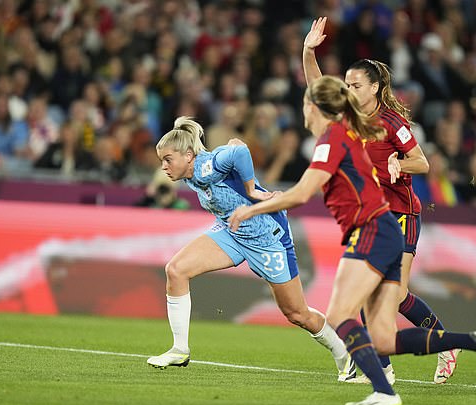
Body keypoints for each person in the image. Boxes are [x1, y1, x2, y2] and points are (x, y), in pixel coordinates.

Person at [228, 75, 476, 405]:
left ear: (312, 107)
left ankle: (384, 392)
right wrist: (308, 53)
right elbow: (320, 86)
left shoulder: (332, 138)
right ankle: (469, 341)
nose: (302, 108)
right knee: (383, 339)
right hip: (385, 230)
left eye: (305, 102)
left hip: (372, 230)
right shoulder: (345, 131)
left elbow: (302, 193)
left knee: (340, 314)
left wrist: (252, 209)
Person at [302, 16, 460, 385]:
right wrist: (308, 51)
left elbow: (422, 162)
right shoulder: (348, 115)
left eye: (355, 84)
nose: (348, 89)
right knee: (365, 290)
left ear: (374, 87)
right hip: (370, 217)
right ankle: (382, 368)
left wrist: (397, 162)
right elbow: (316, 85)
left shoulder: (391, 123)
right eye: (347, 84)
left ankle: (440, 345)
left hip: (401, 213)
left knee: (394, 293)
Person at [146, 116, 356, 383]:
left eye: (167, 159)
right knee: (176, 270)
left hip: (268, 238)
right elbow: (233, 150)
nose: (163, 166)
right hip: (232, 232)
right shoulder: (191, 172)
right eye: (161, 160)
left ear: (188, 155)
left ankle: (345, 355)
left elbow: (240, 151)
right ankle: (180, 349)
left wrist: (252, 190)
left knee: (297, 314)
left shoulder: (206, 167)